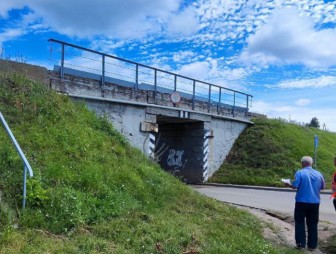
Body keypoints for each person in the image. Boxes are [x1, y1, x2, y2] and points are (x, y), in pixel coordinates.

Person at [283, 156, 325, 250]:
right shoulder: (319, 174)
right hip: (315, 202)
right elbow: (322, 187)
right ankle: (312, 246)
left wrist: (288, 184)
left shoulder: (300, 173)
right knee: (313, 223)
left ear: (302, 163)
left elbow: (295, 186)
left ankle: (301, 244)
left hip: (301, 201)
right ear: (311, 163)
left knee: (300, 222)